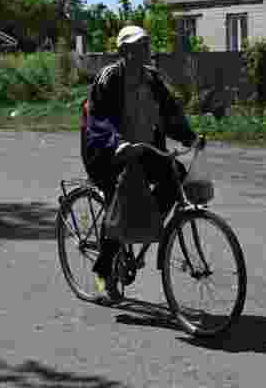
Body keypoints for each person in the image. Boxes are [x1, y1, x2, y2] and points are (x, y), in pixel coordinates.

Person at [83, 25, 202, 303]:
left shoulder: (152, 78)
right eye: (137, 46)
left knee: (175, 175)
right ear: (123, 51)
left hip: (144, 150)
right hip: (109, 154)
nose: (144, 51)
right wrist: (117, 143)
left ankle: (145, 223)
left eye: (146, 45)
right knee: (119, 207)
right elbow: (98, 119)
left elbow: (170, 115)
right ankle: (104, 273)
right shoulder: (109, 77)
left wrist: (191, 138)